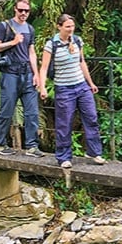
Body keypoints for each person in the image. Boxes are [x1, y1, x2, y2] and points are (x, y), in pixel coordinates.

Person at [39, 14, 106, 168]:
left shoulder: (77, 40)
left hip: (81, 86)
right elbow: (43, 68)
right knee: (64, 123)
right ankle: (64, 157)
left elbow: (82, 63)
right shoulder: (51, 45)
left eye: (72, 26)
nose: (70, 29)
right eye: (67, 26)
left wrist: (90, 83)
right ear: (59, 26)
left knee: (91, 117)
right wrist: (43, 87)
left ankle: (94, 152)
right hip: (63, 88)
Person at [0, 0, 43, 157]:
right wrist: (12, 42)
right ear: (15, 9)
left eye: (26, 11)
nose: (23, 13)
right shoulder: (4, 26)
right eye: (21, 10)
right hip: (10, 74)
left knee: (32, 111)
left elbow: (31, 53)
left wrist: (37, 74)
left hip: (27, 74)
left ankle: (32, 146)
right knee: (7, 109)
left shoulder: (30, 29)